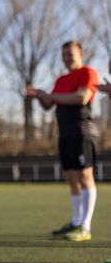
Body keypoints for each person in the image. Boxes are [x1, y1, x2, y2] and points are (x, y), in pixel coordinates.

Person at [27, 41, 99, 242]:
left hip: (82, 131)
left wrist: (52, 96)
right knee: (71, 178)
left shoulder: (88, 72)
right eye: (64, 55)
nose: (67, 58)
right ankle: (76, 221)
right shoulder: (61, 80)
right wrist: (40, 95)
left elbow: (81, 98)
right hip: (65, 134)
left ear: (81, 54)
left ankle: (86, 227)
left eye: (70, 54)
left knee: (85, 175)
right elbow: (48, 105)